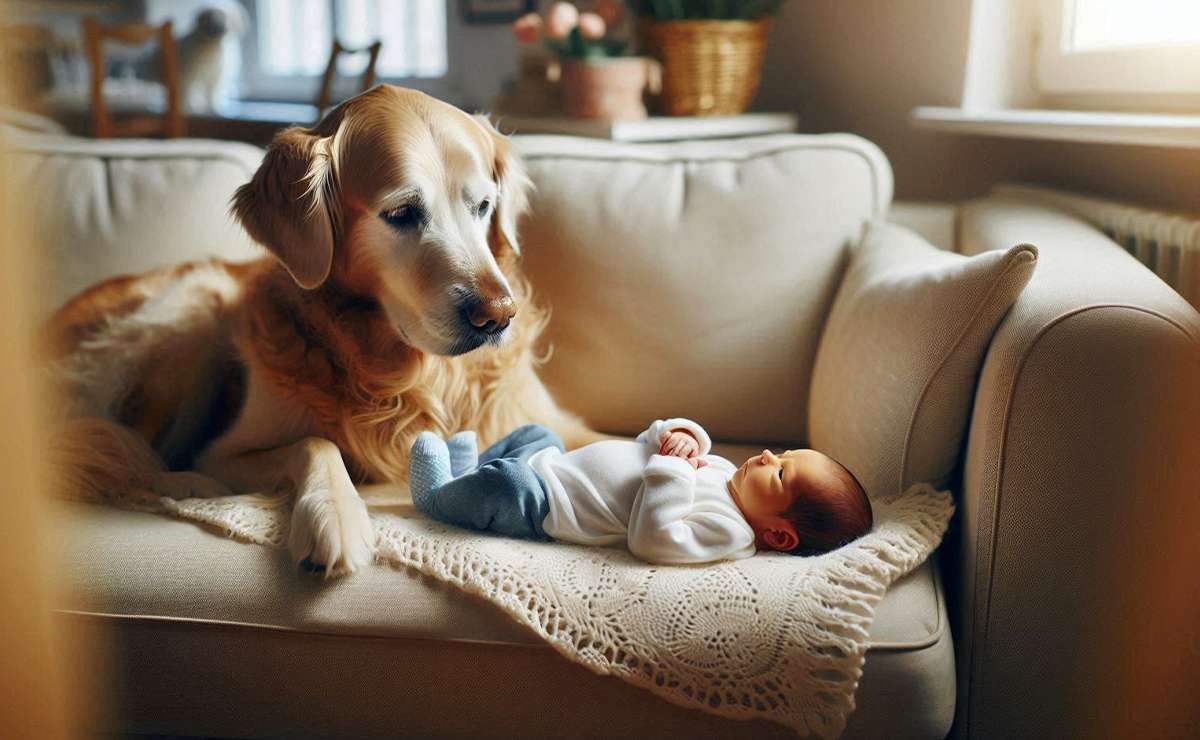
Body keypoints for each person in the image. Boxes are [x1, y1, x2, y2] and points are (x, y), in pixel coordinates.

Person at [408, 419, 873, 565]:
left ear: (780, 535)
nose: (770, 456)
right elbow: (648, 447)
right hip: (558, 463)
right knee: (536, 432)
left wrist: (673, 467)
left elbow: (653, 539)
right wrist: (681, 436)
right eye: (784, 454)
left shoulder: (730, 532)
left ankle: (438, 498)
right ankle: (465, 475)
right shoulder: (726, 471)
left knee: (504, 483)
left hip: (549, 503)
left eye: (780, 476)